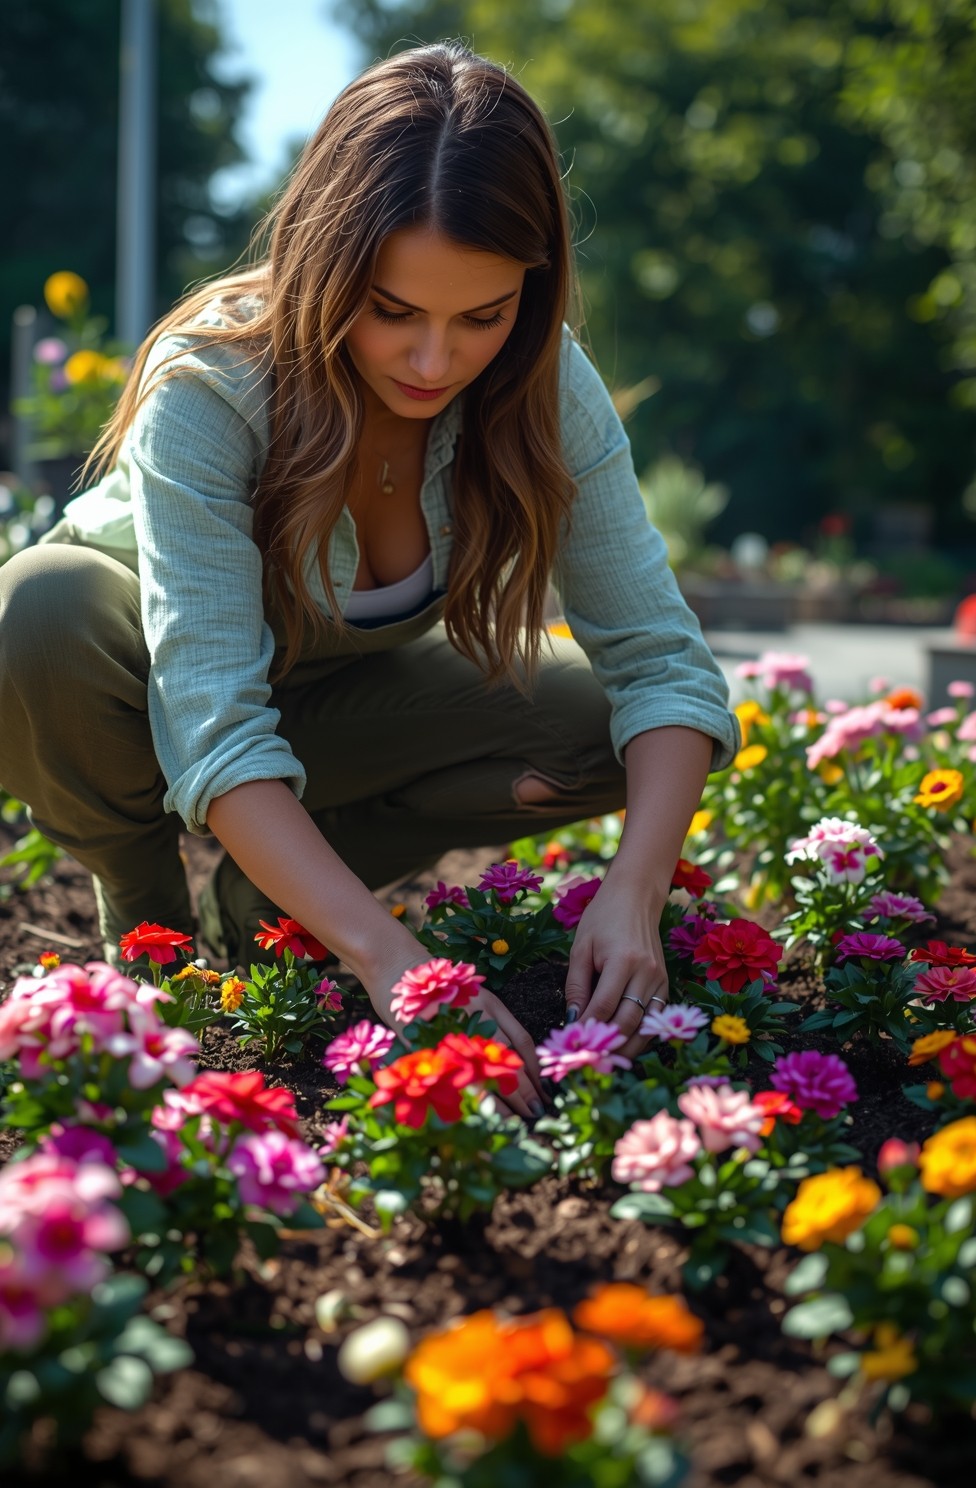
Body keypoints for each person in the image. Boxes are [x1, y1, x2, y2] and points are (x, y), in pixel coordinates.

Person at [0, 42, 738, 1120]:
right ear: (324, 261)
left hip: (334, 711)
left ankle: (274, 897)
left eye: (479, 317)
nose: (434, 362)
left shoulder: (542, 383)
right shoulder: (214, 382)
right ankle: (146, 907)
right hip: (141, 690)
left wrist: (634, 895)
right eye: (392, 309)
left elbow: (661, 663)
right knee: (37, 610)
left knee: (591, 726)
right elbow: (210, 720)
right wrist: (393, 962)